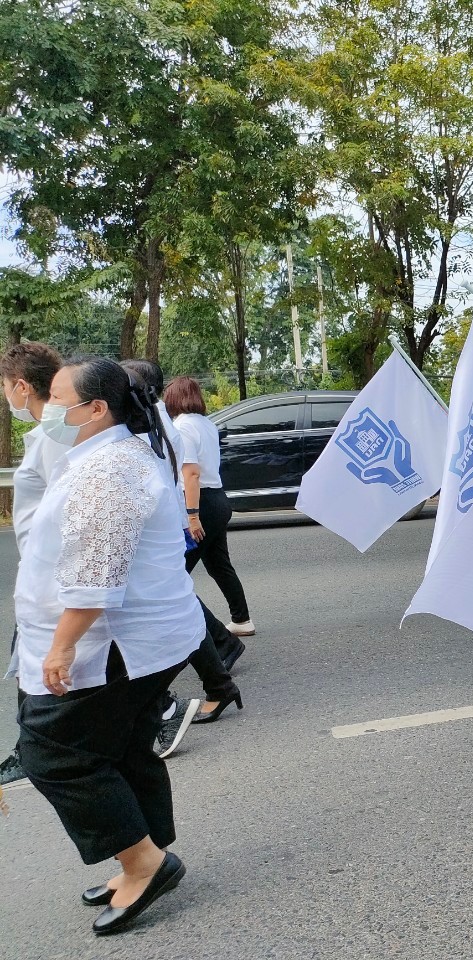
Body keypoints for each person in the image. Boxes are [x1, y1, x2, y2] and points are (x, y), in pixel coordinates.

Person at [14, 356, 202, 935]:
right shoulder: (106, 456)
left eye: (57, 397)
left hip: (117, 642)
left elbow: (97, 574)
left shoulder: (110, 470)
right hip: (146, 636)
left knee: (53, 753)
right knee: (121, 747)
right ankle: (142, 854)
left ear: (96, 409)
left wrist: (61, 649)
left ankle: (145, 862)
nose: (47, 406)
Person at [121, 361, 243, 741]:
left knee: (174, 598)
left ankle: (180, 692)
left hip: (186, 512)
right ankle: (225, 651)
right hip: (193, 509)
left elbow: (187, 473)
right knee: (194, 584)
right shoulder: (187, 423)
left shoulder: (166, 424)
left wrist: (191, 516)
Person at [1, 342, 67, 789]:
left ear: (22, 386)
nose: (6, 395)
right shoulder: (52, 433)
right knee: (29, 669)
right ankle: (29, 747)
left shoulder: (53, 438)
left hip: (50, 579)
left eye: (5, 385)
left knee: (36, 673)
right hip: (42, 577)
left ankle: (32, 750)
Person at [163, 375, 256, 638]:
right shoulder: (207, 424)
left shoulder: (182, 427)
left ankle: (193, 631)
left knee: (175, 573)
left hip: (199, 503)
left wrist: (192, 517)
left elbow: (191, 473)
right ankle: (242, 620)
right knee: (219, 566)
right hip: (217, 499)